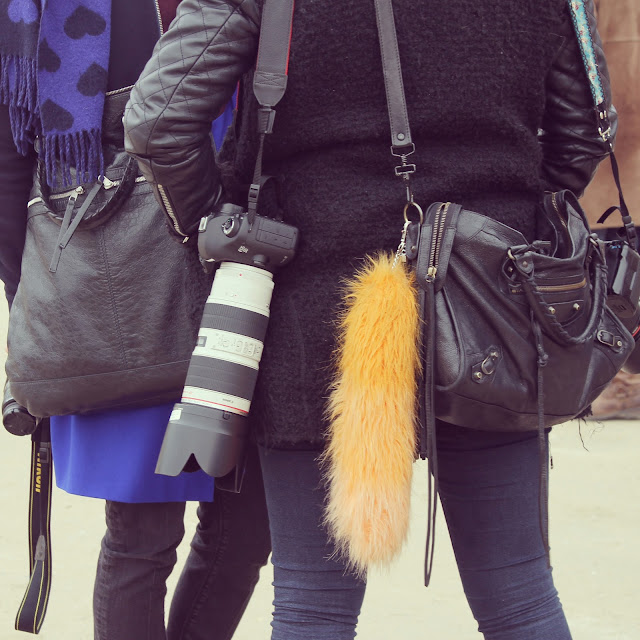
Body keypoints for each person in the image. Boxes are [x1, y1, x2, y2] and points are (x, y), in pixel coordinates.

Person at [124, 0, 613, 638]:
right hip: (491, 297)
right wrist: (494, 223)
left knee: (312, 606)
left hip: (313, 297)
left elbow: (157, 124)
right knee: (519, 594)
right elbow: (584, 132)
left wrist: (217, 228)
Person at [0, 1, 270, 639]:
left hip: (253, 273)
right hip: (120, 287)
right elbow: (9, 164)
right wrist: (36, 292)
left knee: (247, 528)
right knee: (143, 534)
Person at [580, 0, 640, 420]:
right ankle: (620, 380)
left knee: (614, 274)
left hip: (611, 153)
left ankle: (620, 381)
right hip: (614, 162)